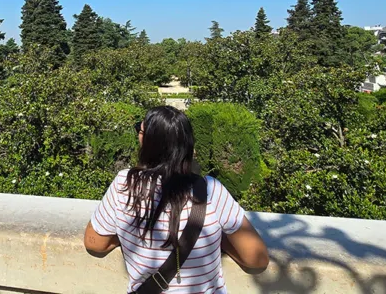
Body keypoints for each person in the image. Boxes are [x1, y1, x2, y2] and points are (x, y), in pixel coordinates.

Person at [83, 106, 269, 293]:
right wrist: (217, 239)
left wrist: (128, 234)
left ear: (146, 141)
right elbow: (256, 258)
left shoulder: (124, 184)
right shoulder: (211, 190)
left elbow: (95, 243)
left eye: (139, 130)